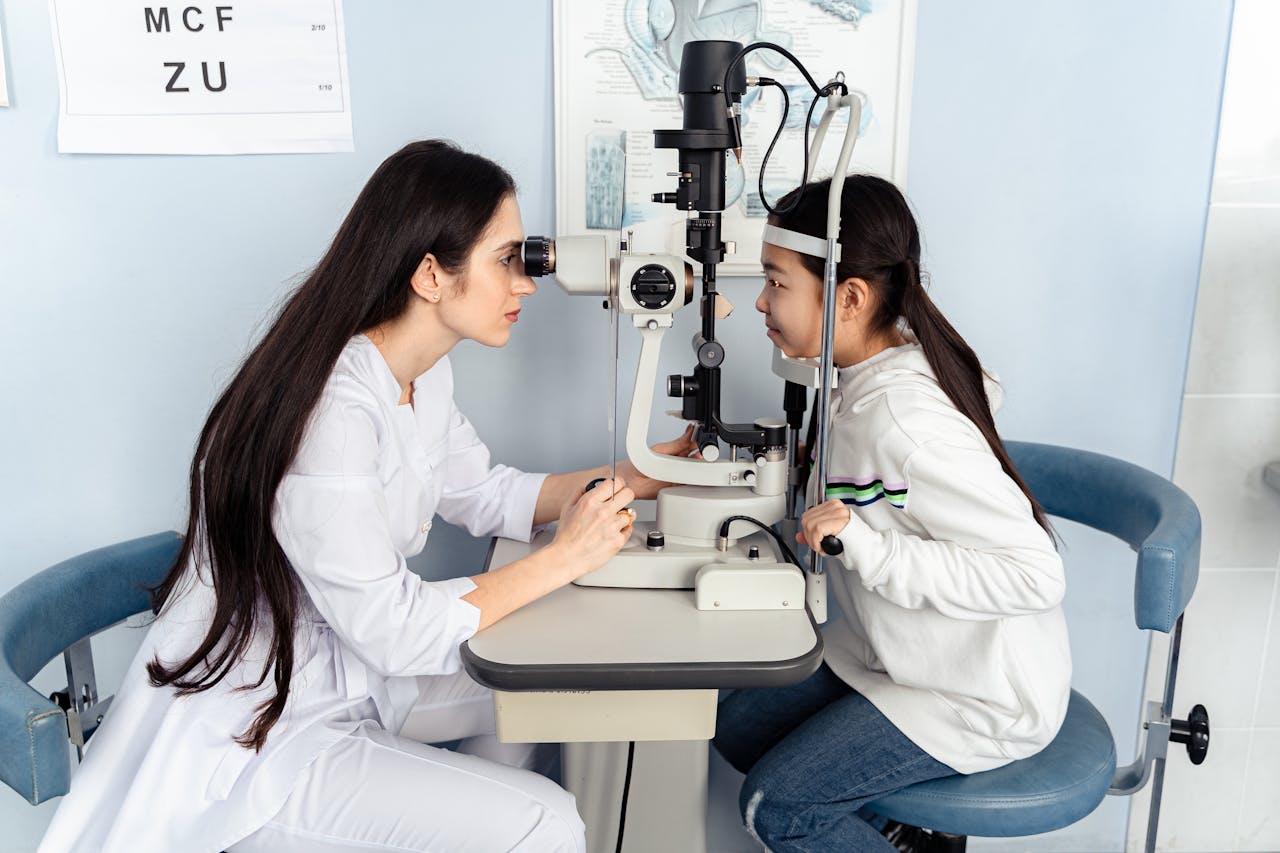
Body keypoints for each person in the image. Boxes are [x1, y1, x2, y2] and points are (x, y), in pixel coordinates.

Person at [40, 140, 695, 853]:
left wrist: (634, 472)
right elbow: (394, 629)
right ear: (430, 276)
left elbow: (485, 491)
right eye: (508, 259)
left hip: (347, 673)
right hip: (262, 735)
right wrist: (562, 558)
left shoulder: (420, 374)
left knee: (537, 696)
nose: (526, 284)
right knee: (548, 822)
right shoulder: (330, 411)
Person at [712, 175, 1071, 852]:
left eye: (776, 283)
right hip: (895, 654)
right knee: (737, 727)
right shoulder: (857, 384)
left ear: (849, 297)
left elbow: (1035, 574)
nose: (759, 301)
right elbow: (880, 497)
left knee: (773, 807)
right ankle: (909, 839)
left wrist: (868, 548)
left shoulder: (906, 419)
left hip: (976, 693)